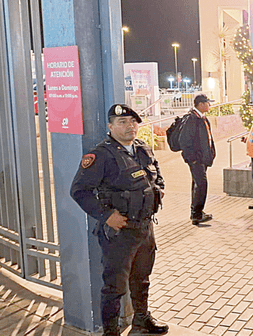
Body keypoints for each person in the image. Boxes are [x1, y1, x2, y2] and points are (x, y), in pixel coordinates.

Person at [70, 104, 168, 336]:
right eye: (122, 122)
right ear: (110, 126)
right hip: (120, 233)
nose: (129, 126)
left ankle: (142, 320)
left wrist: (159, 190)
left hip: (145, 228)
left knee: (142, 278)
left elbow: (157, 173)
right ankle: (111, 331)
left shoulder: (142, 148)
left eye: (132, 122)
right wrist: (106, 216)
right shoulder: (101, 155)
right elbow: (79, 191)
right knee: (114, 287)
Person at [180, 94, 216, 225]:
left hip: (203, 159)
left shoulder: (203, 119)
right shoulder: (192, 119)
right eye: (207, 103)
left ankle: (196, 212)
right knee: (201, 184)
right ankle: (197, 214)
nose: (209, 105)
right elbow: (184, 141)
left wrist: (211, 153)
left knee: (197, 184)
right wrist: (193, 159)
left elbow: (208, 138)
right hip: (196, 160)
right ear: (200, 104)